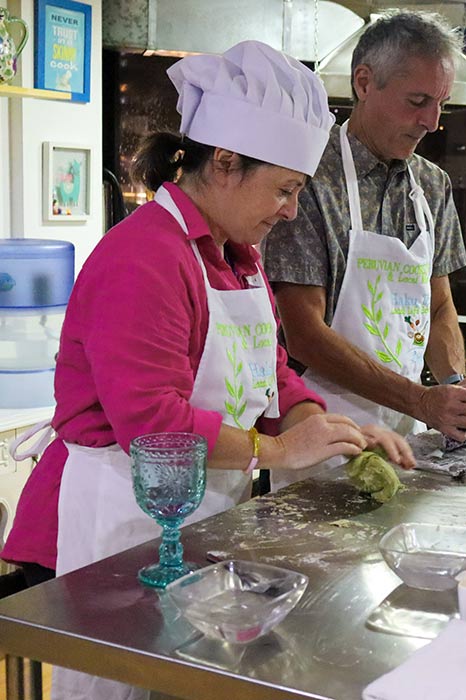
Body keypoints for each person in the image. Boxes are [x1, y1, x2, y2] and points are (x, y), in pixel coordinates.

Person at [2, 40, 412, 700]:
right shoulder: (143, 258)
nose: (290, 210)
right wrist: (276, 448)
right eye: (284, 189)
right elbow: (152, 425)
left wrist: (316, 420)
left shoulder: (235, 253)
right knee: (129, 685)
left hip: (198, 513)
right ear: (223, 163)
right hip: (119, 521)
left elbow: (268, 368)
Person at [261, 10, 466, 491]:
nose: (432, 122)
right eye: (417, 101)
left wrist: (456, 386)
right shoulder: (308, 179)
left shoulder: (433, 186)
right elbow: (304, 333)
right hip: (321, 436)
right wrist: (419, 399)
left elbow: (437, 307)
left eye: (440, 104)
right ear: (364, 82)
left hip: (411, 439)